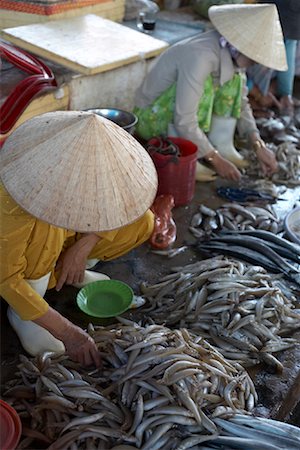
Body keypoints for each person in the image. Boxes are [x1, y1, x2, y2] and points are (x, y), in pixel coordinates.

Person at [0, 110, 158, 366]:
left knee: (141, 220)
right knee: (44, 233)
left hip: (63, 240)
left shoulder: (89, 162)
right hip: (18, 255)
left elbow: (110, 205)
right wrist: (67, 332)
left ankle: (70, 270)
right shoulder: (15, 195)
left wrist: (83, 247)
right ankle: (24, 312)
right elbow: (6, 278)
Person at [134, 3, 287, 182]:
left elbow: (242, 104)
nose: (258, 62)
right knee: (205, 85)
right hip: (151, 119)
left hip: (179, 121)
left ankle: (220, 145)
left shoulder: (233, 53)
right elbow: (184, 120)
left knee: (235, 80)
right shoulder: (201, 57)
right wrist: (215, 160)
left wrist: (257, 143)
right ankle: (187, 153)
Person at [247, 0, 300, 116]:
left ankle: (271, 90)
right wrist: (257, 93)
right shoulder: (245, 32)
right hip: (235, 70)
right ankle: (251, 99)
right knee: (266, 59)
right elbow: (232, 71)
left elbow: (289, 49)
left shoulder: (290, 23)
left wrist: (286, 93)